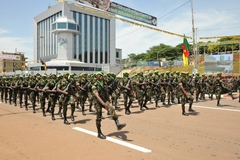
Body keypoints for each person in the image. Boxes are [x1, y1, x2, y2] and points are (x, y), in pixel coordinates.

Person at [92, 72, 126, 139]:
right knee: (98, 117)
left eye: (101, 75)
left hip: (104, 100)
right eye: (98, 75)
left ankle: (118, 123)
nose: (100, 76)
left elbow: (106, 93)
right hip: (97, 102)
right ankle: (99, 132)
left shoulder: (104, 84)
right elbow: (97, 96)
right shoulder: (94, 85)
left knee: (111, 109)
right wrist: (104, 104)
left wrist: (108, 101)